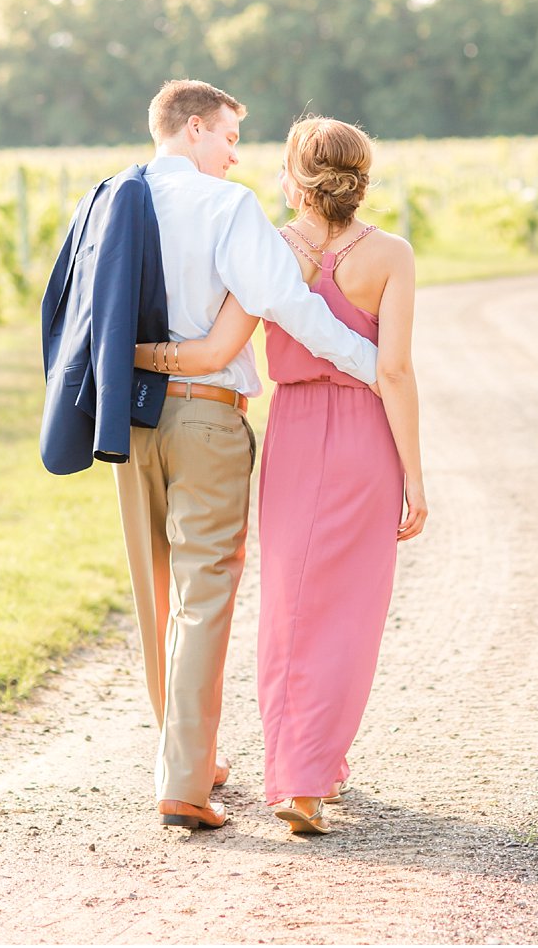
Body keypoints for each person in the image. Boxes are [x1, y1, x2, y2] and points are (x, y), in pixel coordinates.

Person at [47, 79, 383, 831]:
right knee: (203, 598)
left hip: (125, 422)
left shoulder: (106, 199)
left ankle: (184, 756)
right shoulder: (225, 207)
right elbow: (289, 304)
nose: (236, 154)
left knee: (156, 595)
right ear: (195, 128)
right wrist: (372, 362)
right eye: (230, 136)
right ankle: (184, 780)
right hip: (206, 421)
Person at [136, 114, 426, 835]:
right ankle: (315, 769)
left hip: (295, 434)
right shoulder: (391, 255)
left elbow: (221, 346)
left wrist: (140, 356)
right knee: (351, 613)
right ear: (361, 179)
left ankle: (295, 776)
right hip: (366, 440)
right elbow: (392, 370)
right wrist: (416, 478)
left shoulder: (272, 247)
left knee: (290, 607)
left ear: (295, 178)